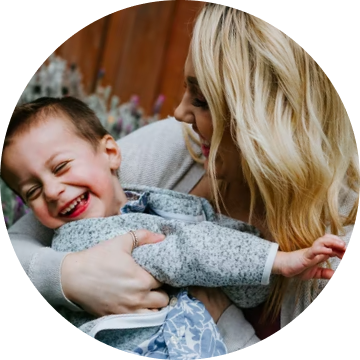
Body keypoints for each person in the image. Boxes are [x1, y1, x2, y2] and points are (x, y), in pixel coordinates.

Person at [6, 4, 358, 351]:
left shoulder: (337, 241)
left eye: (201, 100)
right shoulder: (178, 146)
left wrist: (221, 320)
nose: (179, 112)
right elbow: (21, 241)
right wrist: (69, 277)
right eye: (32, 189)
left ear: (267, 119)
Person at [1, 96, 345, 357]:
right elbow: (184, 250)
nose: (51, 191)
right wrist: (276, 262)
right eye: (31, 191)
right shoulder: (85, 235)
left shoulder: (147, 202)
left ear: (110, 152)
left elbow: (230, 275)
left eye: (60, 168)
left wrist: (251, 274)